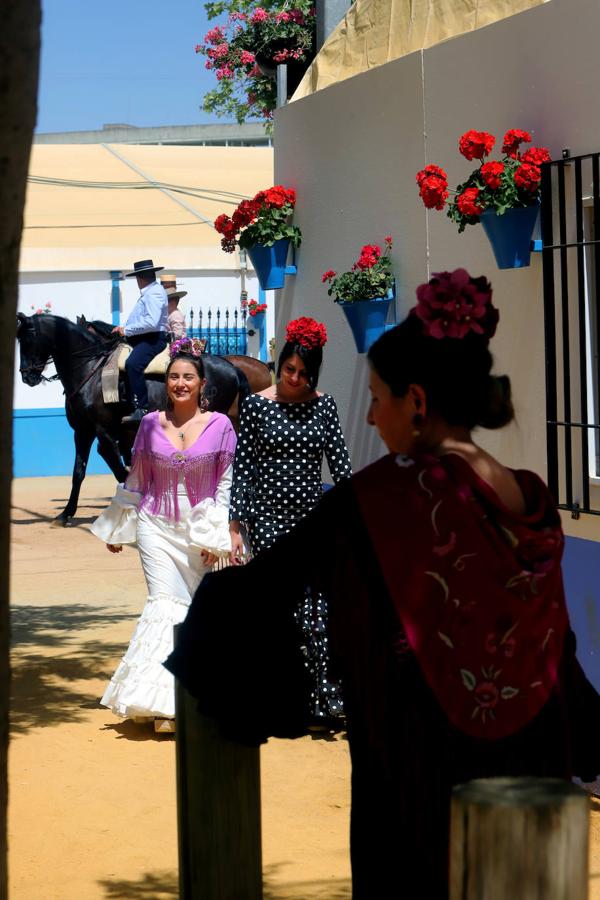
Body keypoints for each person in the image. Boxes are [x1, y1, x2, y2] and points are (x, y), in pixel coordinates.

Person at [166, 269, 600, 895]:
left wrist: (207, 625)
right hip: (530, 775)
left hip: (417, 770)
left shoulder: (377, 498)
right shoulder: (530, 496)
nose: (370, 414)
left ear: (417, 402)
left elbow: (265, 588)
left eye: (376, 398)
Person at [92, 337, 236, 733]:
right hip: (155, 525)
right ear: (166, 383)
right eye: (174, 377)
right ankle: (164, 706)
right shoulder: (151, 424)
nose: (181, 383)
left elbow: (224, 485)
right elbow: (136, 478)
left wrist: (216, 537)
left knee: (196, 612)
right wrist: (118, 525)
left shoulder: (221, 426)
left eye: (189, 377)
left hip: (198, 531)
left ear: (203, 383)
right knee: (165, 604)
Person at [228, 316, 352, 724]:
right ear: (279, 365)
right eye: (289, 370)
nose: (295, 379)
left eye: (304, 373)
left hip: (312, 519)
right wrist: (236, 525)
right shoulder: (257, 406)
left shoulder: (325, 406)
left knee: (319, 608)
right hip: (268, 520)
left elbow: (341, 465)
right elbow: (244, 468)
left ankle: (327, 698)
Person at [115, 259, 169, 425]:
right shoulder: (150, 292)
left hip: (153, 338)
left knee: (133, 364)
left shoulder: (154, 293)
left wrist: (127, 330)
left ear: (140, 278)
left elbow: (151, 323)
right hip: (144, 337)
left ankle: (143, 407)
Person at [160, 273, 187, 340]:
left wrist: (165, 335)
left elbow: (178, 334)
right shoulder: (169, 313)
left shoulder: (175, 314)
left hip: (176, 346)